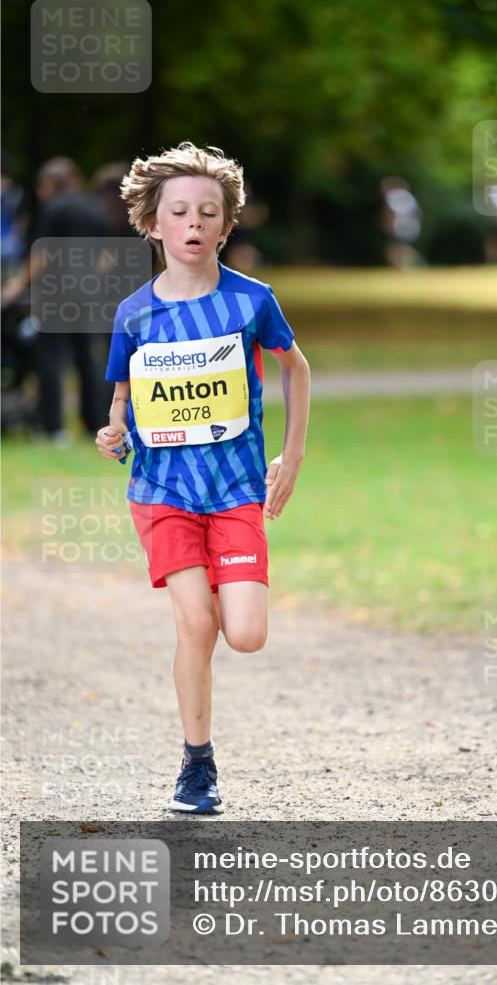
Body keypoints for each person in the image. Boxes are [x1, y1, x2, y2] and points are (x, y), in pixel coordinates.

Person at [96, 141, 310, 813]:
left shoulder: (252, 301)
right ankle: (197, 767)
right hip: (162, 493)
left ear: (226, 224)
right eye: (179, 211)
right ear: (153, 224)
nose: (193, 223)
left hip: (236, 489)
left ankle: (226, 582)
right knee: (196, 622)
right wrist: (114, 433)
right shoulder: (134, 314)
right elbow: (122, 401)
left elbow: (295, 368)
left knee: (243, 632)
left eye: (207, 212)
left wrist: (292, 455)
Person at [3, 156, 112, 444]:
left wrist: (17, 285)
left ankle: (54, 428)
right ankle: (94, 425)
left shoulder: (54, 207)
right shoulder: (94, 208)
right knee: (87, 357)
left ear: (50, 183)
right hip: (89, 292)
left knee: (50, 357)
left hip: (56, 291)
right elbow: (105, 257)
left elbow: (42, 253)